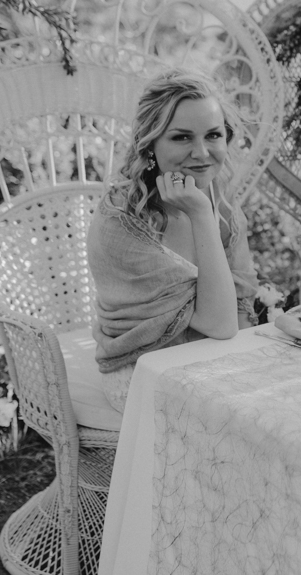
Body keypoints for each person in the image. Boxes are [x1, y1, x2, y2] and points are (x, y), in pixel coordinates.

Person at [87, 69, 258, 412]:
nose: (202, 153)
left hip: (206, 356)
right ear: (150, 145)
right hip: (143, 371)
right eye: (181, 138)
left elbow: (237, 308)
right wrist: (200, 216)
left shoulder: (218, 198)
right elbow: (219, 324)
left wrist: (247, 368)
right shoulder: (122, 224)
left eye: (213, 135)